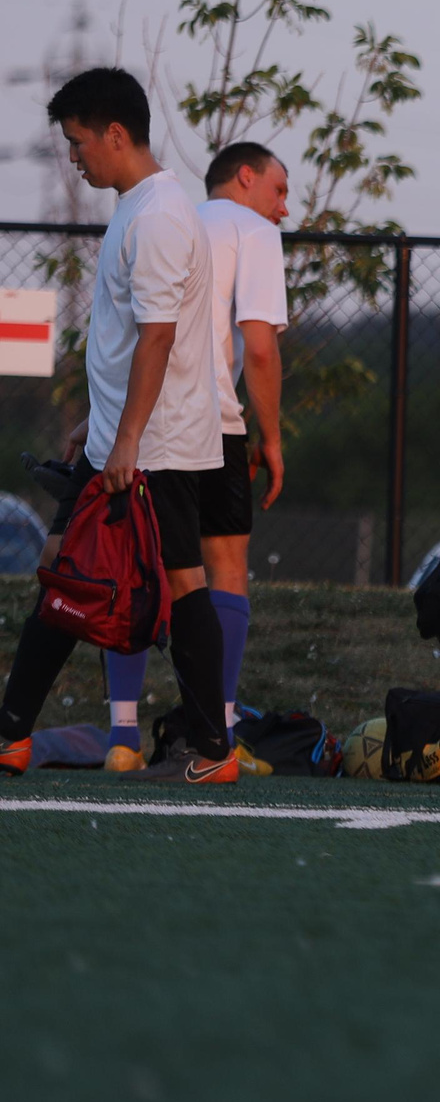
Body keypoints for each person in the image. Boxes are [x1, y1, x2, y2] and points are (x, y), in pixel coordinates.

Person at [0, 68, 235, 784]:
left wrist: (128, 437)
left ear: (114, 132)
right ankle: (12, 736)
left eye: (77, 142)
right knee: (83, 576)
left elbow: (158, 337)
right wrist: (95, 424)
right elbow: (126, 338)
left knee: (136, 580)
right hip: (123, 437)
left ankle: (212, 749)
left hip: (153, 446)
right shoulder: (138, 207)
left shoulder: (160, 215)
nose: (74, 157)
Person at [100, 141, 290, 770]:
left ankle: (122, 737)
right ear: (245, 178)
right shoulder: (252, 230)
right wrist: (272, 437)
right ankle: (219, 732)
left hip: (143, 417)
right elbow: (257, 348)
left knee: (134, 567)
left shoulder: (168, 215)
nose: (283, 208)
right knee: (222, 567)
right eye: (279, 190)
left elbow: (136, 331)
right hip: (210, 424)